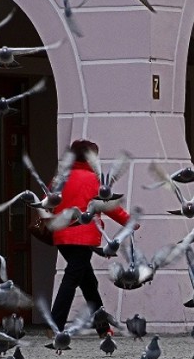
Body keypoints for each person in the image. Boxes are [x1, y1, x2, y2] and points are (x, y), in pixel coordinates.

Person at [50, 139, 135, 332]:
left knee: (88, 282)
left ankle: (103, 327)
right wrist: (130, 222)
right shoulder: (92, 179)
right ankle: (54, 324)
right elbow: (109, 206)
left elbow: (48, 202)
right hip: (83, 237)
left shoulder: (60, 178)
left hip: (62, 236)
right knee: (71, 279)